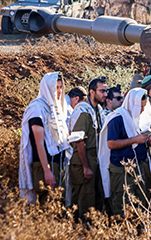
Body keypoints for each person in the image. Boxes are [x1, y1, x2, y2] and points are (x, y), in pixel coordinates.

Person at [98, 88, 151, 216]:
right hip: (122, 170)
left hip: (138, 167)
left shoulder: (137, 119)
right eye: (140, 107)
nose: (142, 110)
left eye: (144, 107)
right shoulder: (117, 119)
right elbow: (111, 143)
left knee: (140, 203)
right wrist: (134, 139)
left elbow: (137, 142)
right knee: (123, 205)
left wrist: (147, 142)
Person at [19, 72, 71, 204]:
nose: (59, 91)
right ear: (48, 88)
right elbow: (39, 143)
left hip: (58, 164)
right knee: (48, 204)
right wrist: (46, 170)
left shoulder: (56, 110)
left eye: (60, 87)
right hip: (46, 166)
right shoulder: (37, 109)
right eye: (56, 88)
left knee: (59, 205)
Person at [69, 77, 106, 219]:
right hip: (84, 159)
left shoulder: (97, 110)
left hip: (95, 158)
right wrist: (85, 166)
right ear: (92, 92)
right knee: (85, 199)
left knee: (96, 197)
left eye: (105, 91)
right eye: (102, 91)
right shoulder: (84, 111)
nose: (105, 94)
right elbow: (79, 141)